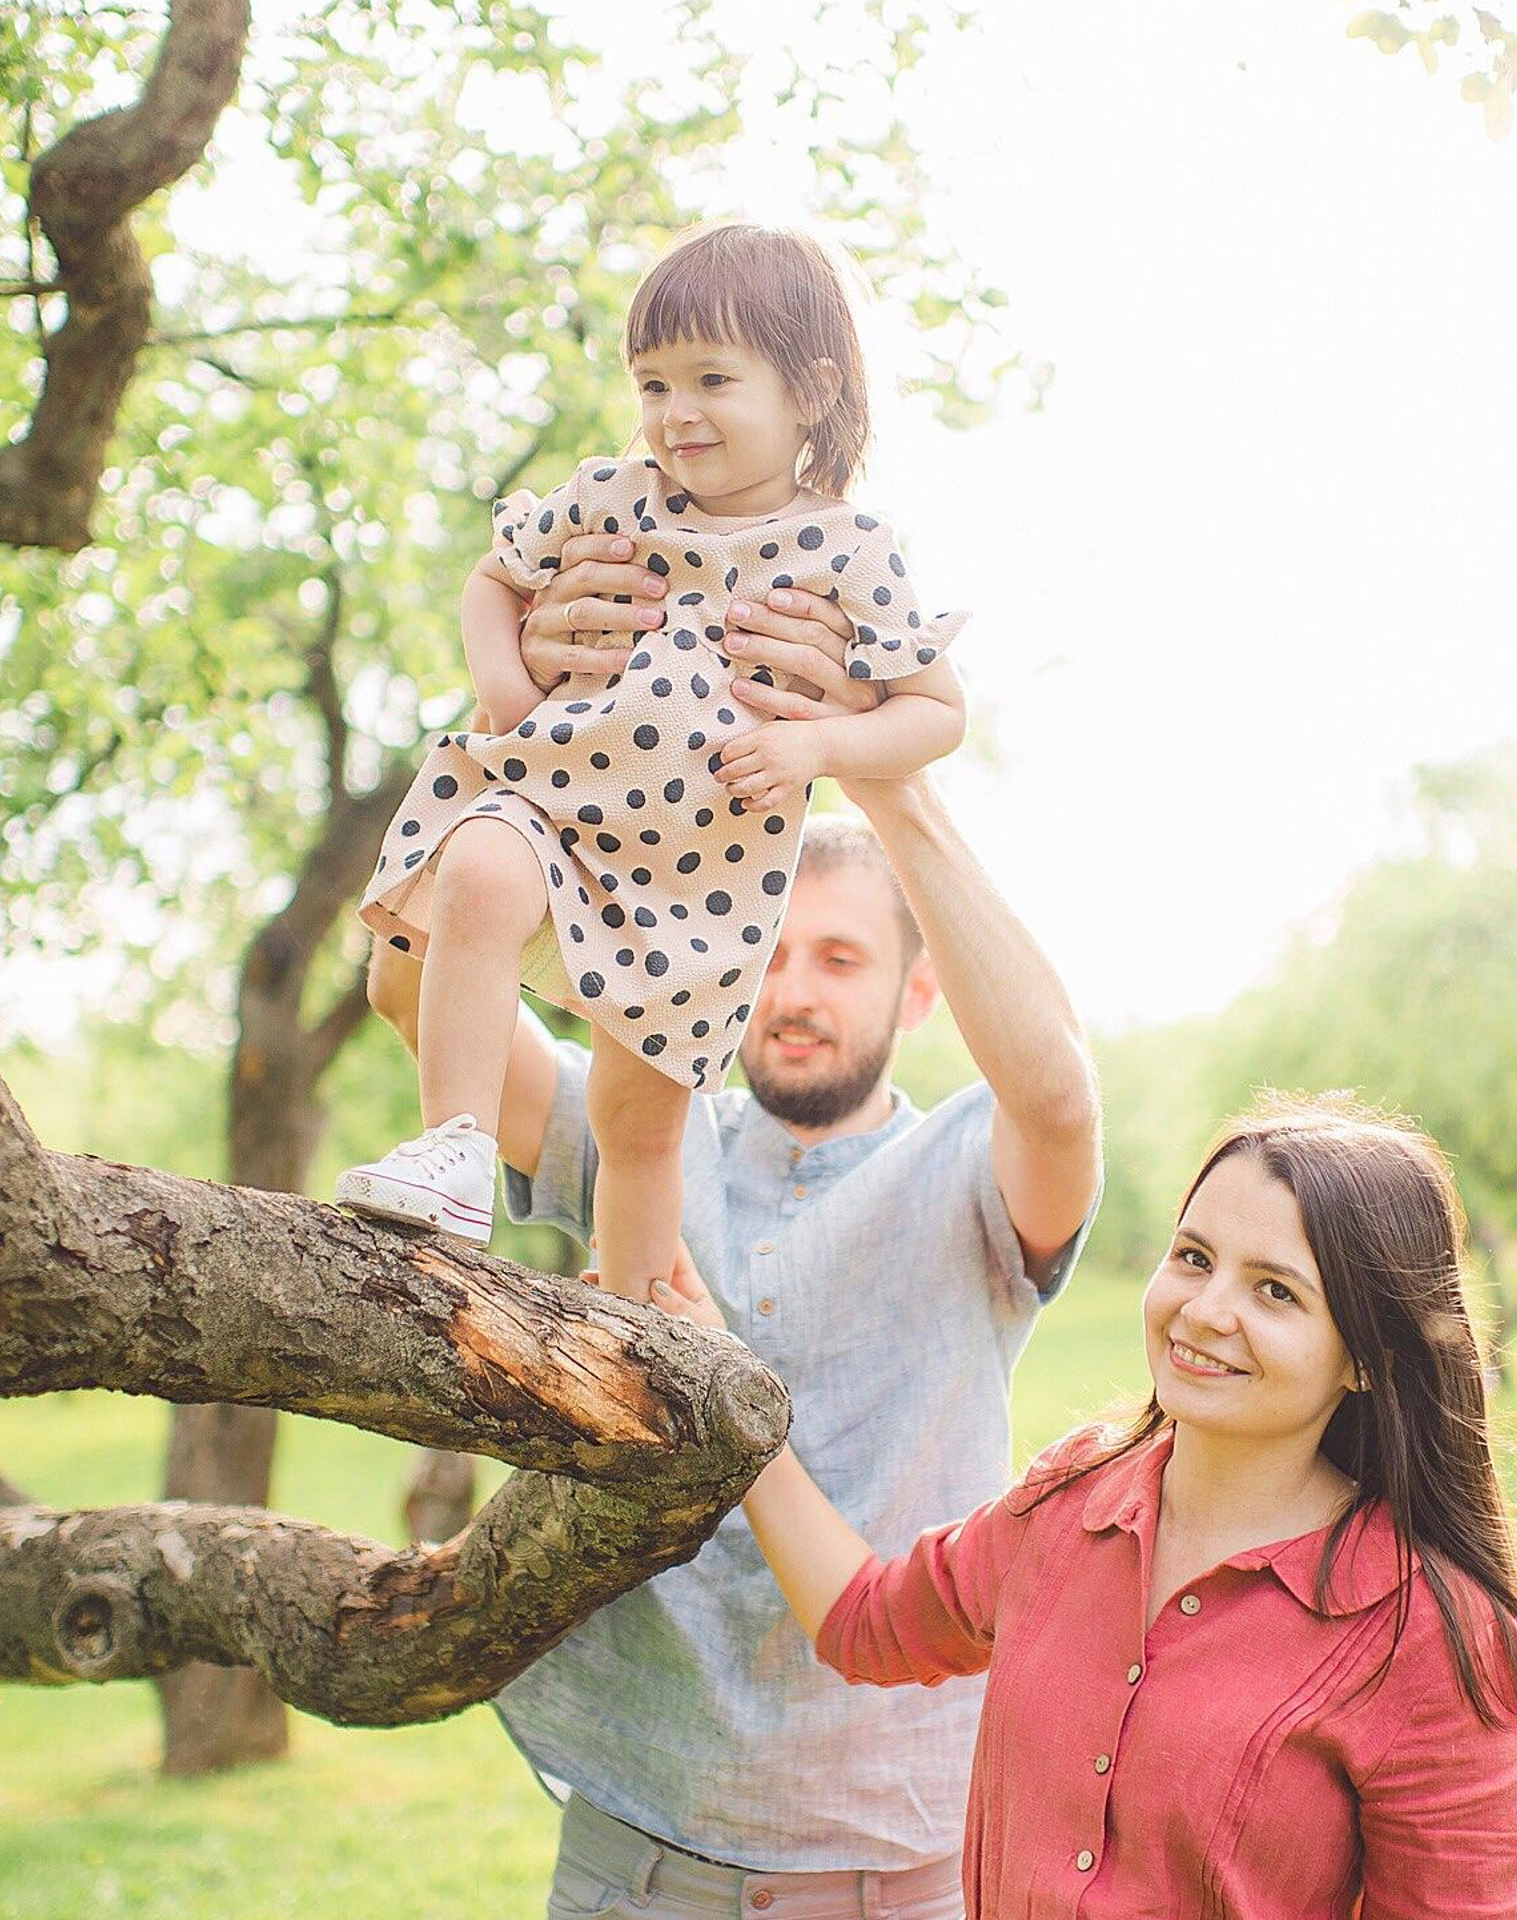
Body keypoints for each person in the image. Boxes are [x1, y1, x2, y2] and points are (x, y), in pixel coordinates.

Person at [363, 573, 1102, 1916]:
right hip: (636, 1842)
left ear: (914, 990)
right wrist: (529, 720)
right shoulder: (644, 1124)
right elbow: (407, 974)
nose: (792, 993)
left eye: (837, 958)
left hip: (888, 1861)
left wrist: (876, 766)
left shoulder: (965, 1173)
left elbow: (1058, 1094)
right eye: (765, 951)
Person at [656, 1094, 1517, 1920]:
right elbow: (865, 1621)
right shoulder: (1067, 1504)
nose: (1205, 1311)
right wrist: (728, 1389)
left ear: (1366, 1355)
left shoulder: (1440, 1642)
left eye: (1275, 1291)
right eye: (1194, 1258)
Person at [338, 223, 967, 1298]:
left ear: (811, 390)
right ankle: (453, 1149)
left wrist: (816, 741)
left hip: (701, 875)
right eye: (652, 384)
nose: (675, 414)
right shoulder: (615, 496)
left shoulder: (850, 546)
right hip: (556, 803)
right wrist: (508, 689)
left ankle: (628, 1309)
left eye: (712, 380)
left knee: (638, 1119)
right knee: (482, 869)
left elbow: (934, 712)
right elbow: (493, 580)